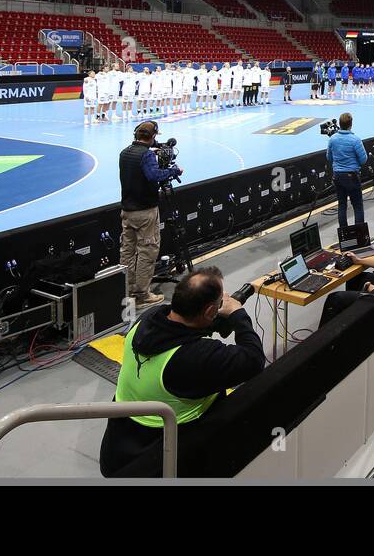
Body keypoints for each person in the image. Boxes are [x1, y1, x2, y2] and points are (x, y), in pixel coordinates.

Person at [100, 267, 265, 476]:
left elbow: (183, 329)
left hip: (120, 444)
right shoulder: (196, 356)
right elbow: (254, 360)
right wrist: (237, 314)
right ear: (208, 312)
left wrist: (213, 318)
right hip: (164, 451)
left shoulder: (149, 319)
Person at [118, 120, 183, 306]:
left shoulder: (125, 153)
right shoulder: (146, 156)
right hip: (145, 211)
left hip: (127, 211)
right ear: (153, 136)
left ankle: (127, 289)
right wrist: (173, 170)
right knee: (147, 251)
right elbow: (153, 176)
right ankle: (141, 294)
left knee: (127, 252)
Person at [327, 112, 368, 228]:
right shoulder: (355, 140)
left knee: (342, 205)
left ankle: (344, 235)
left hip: (338, 176)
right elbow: (363, 159)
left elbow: (328, 157)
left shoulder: (332, 139)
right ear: (351, 124)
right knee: (358, 206)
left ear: (340, 124)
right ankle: (359, 235)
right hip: (352, 177)